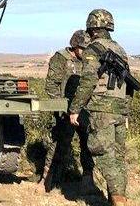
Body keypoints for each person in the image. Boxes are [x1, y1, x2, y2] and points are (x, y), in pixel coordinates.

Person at [69, 9, 132, 206]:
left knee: (104, 153)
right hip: (120, 108)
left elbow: (88, 81)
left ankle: (118, 201)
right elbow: (128, 83)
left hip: (102, 109)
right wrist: (126, 109)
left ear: (92, 26)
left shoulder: (93, 49)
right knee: (118, 156)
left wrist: (75, 109)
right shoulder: (119, 48)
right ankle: (119, 197)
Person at [41, 29, 93, 191]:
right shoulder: (61, 58)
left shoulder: (89, 60)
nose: (85, 52)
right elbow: (51, 85)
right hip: (64, 111)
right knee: (59, 144)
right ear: (74, 45)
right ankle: (48, 179)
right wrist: (60, 107)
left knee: (89, 144)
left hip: (84, 110)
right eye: (82, 49)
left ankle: (88, 180)